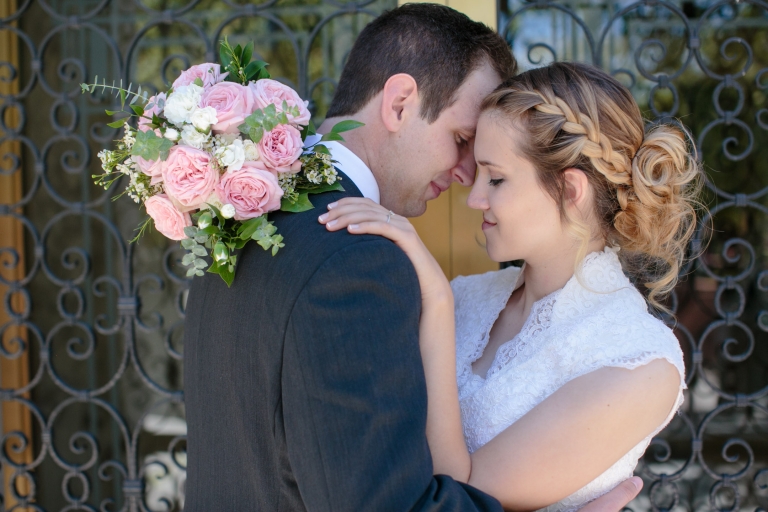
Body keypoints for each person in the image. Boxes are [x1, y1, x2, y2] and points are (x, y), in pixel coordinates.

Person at [184, 4, 643, 510]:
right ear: (400, 102)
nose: (468, 176)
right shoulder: (354, 259)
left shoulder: (244, 217)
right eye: (462, 140)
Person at [319, 61, 701, 511]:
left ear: (570, 190)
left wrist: (437, 302)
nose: (475, 197)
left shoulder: (639, 361)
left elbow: (460, 495)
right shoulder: (471, 296)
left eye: (496, 178)